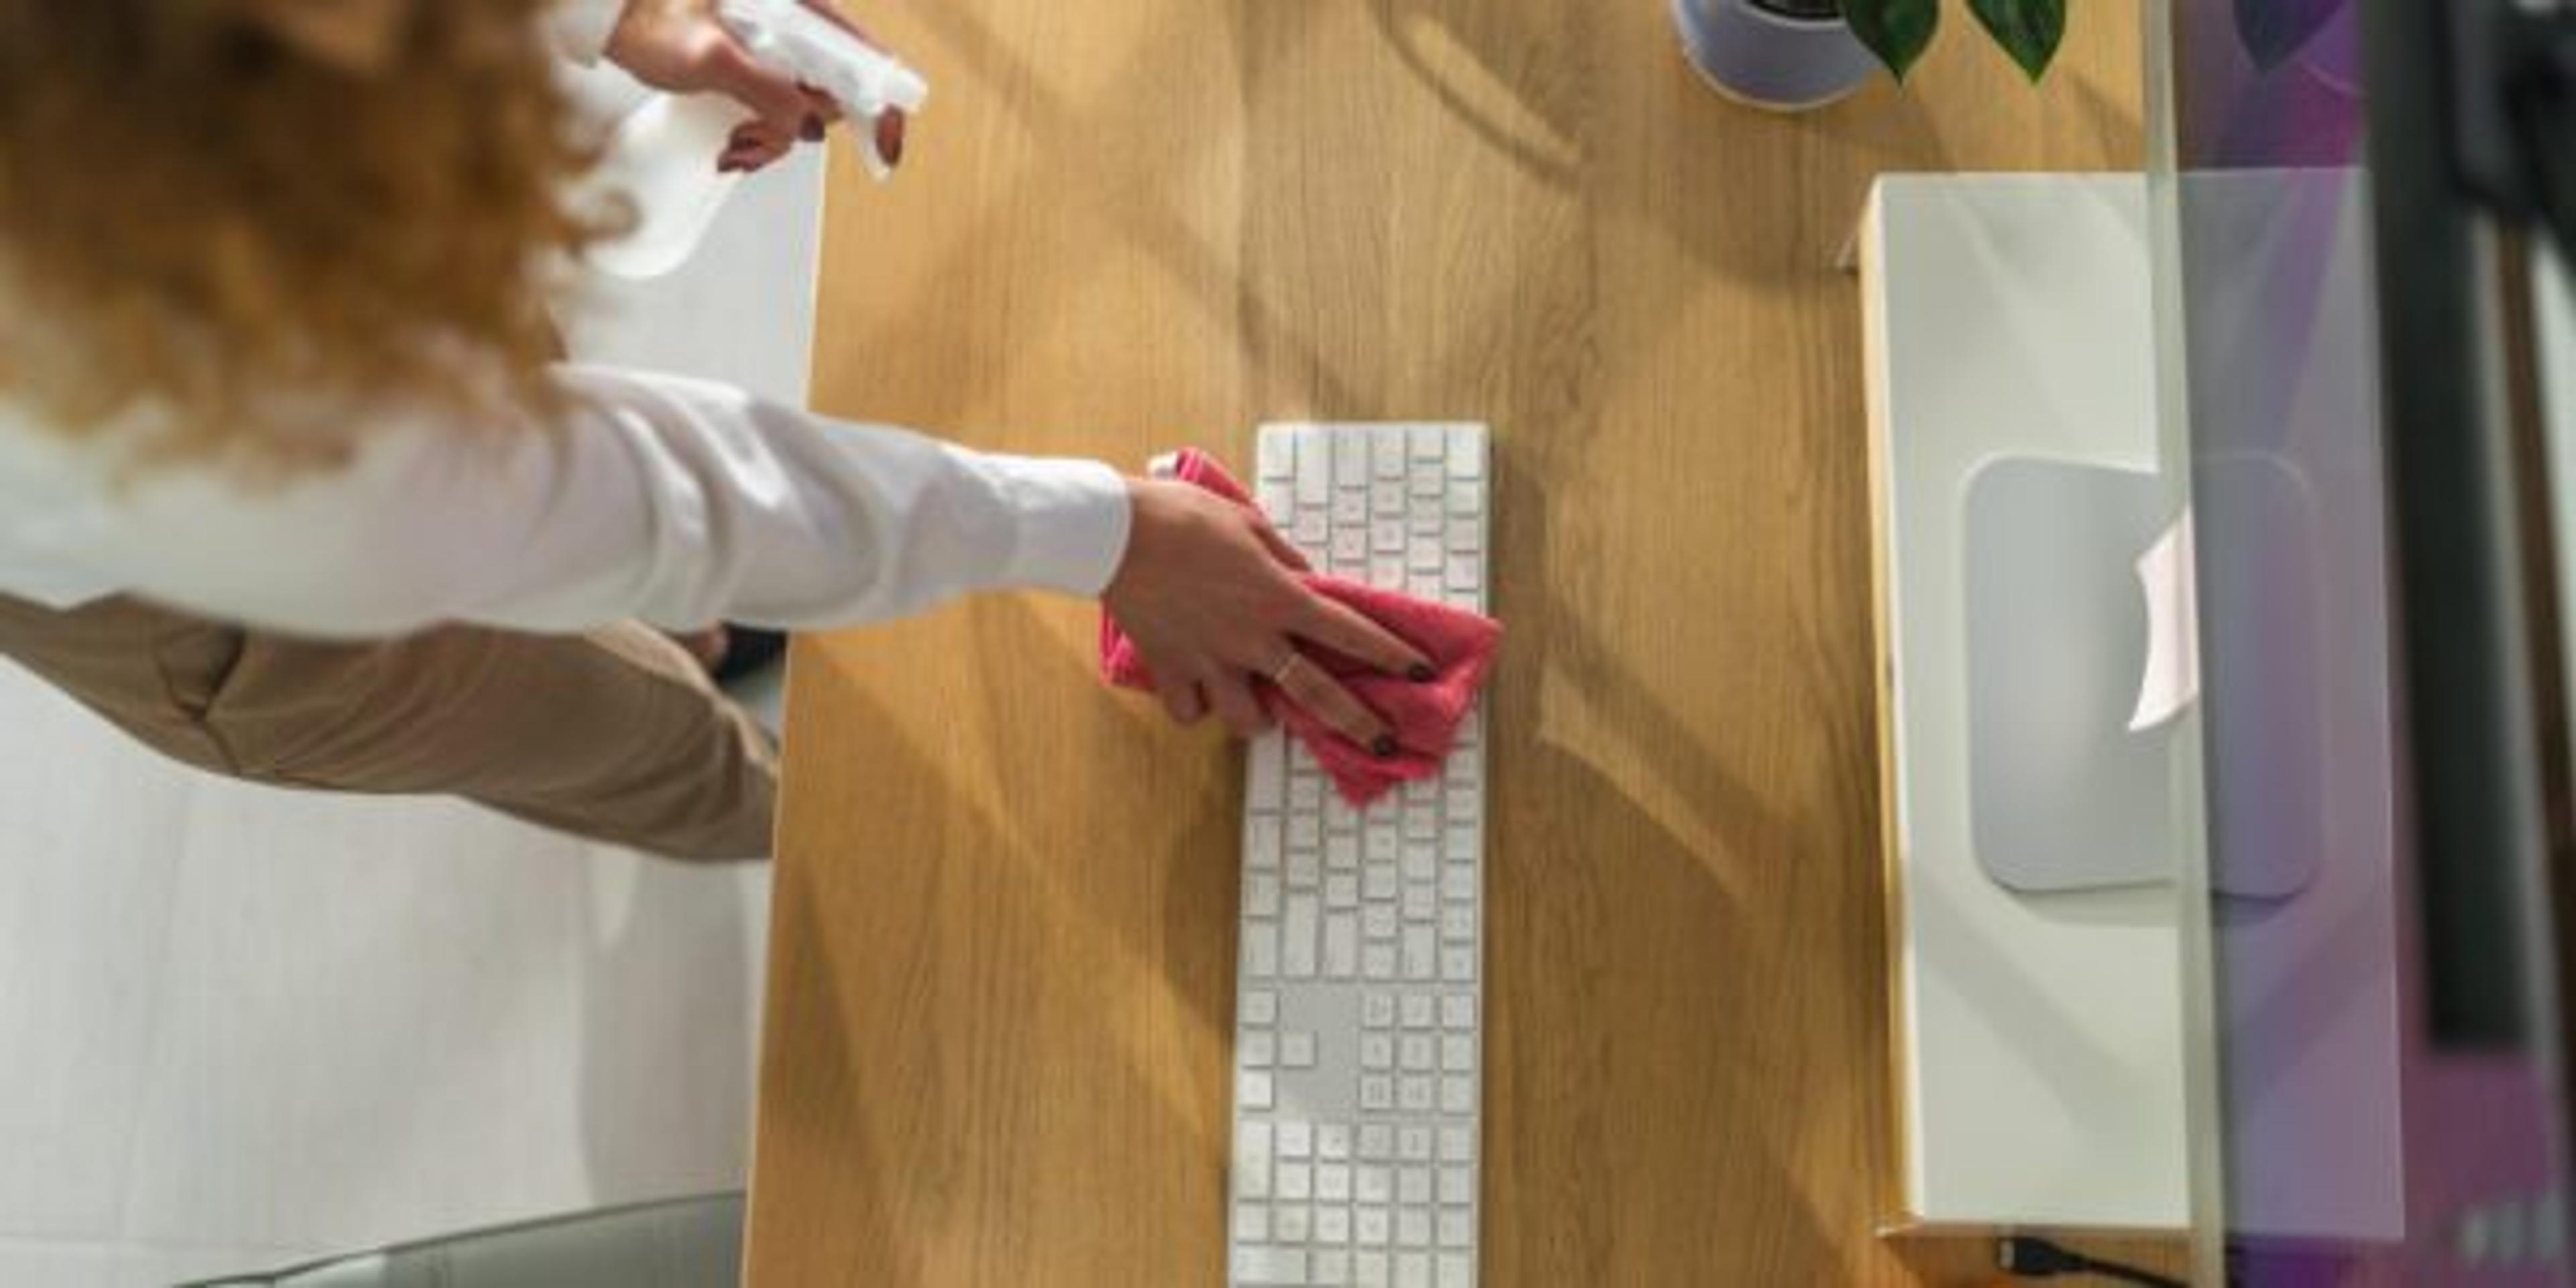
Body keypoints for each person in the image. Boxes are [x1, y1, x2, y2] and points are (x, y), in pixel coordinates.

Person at [0, 0, 1426, 860]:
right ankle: (777, 814)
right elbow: (668, 495)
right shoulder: (186, 437)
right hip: (198, 594)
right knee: (618, 730)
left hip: (303, 378)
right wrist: (1113, 535)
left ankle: (680, 632)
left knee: (560, 515)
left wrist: (628, 16)